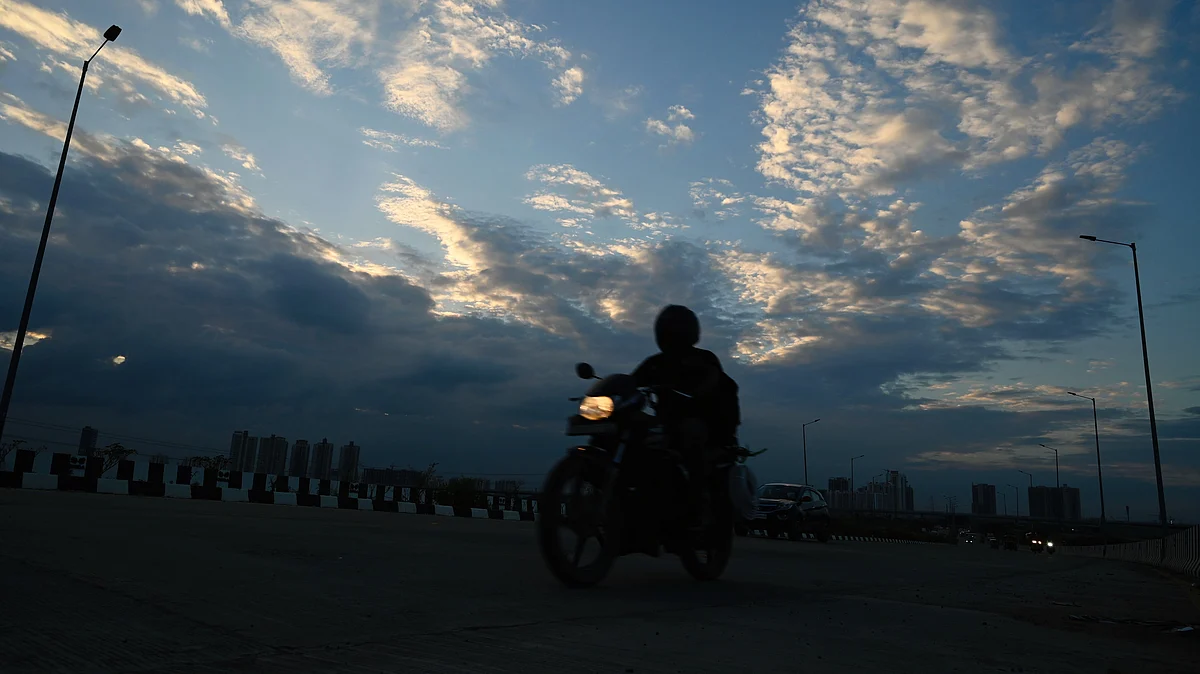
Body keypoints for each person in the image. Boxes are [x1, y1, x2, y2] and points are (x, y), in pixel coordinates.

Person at [632, 305, 741, 529]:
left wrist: (694, 394)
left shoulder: (703, 359)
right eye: (667, 328)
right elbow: (630, 382)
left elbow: (712, 380)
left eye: (674, 328)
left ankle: (697, 505)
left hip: (707, 425)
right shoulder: (655, 363)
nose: (670, 333)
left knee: (691, 433)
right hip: (668, 424)